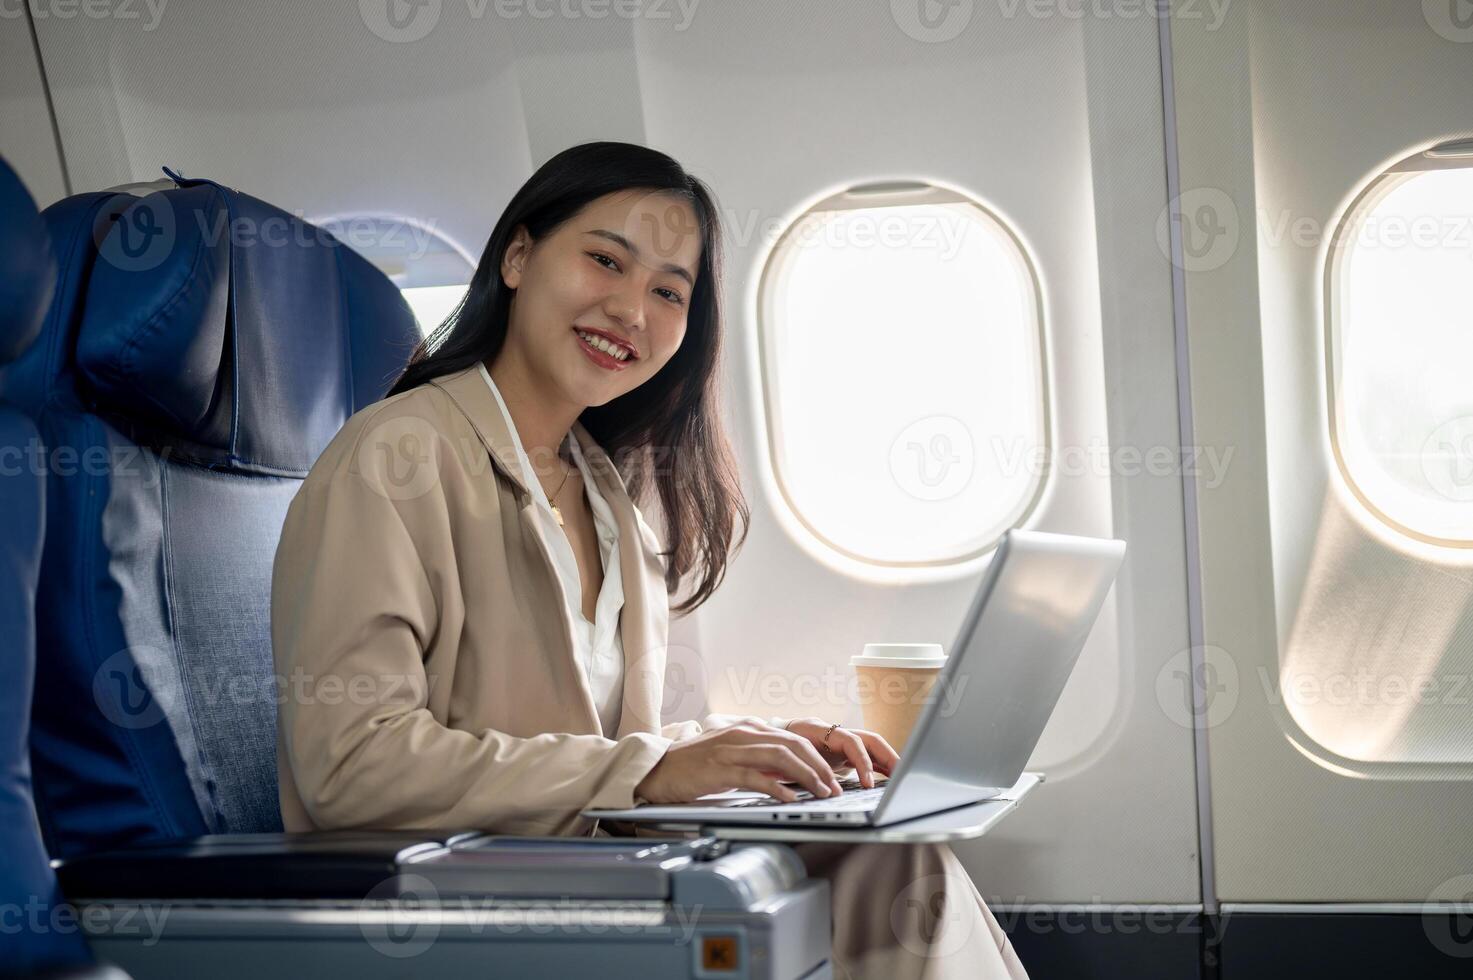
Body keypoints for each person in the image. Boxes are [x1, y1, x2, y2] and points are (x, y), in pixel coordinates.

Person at [270, 140, 1027, 980]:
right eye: (604, 260)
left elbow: (585, 746)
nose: (633, 310)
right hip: (457, 907)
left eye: (668, 291)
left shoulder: (603, 492)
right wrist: (656, 766)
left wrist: (748, 750)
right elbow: (350, 766)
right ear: (517, 257)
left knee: (892, 859)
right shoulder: (396, 456)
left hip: (583, 876)